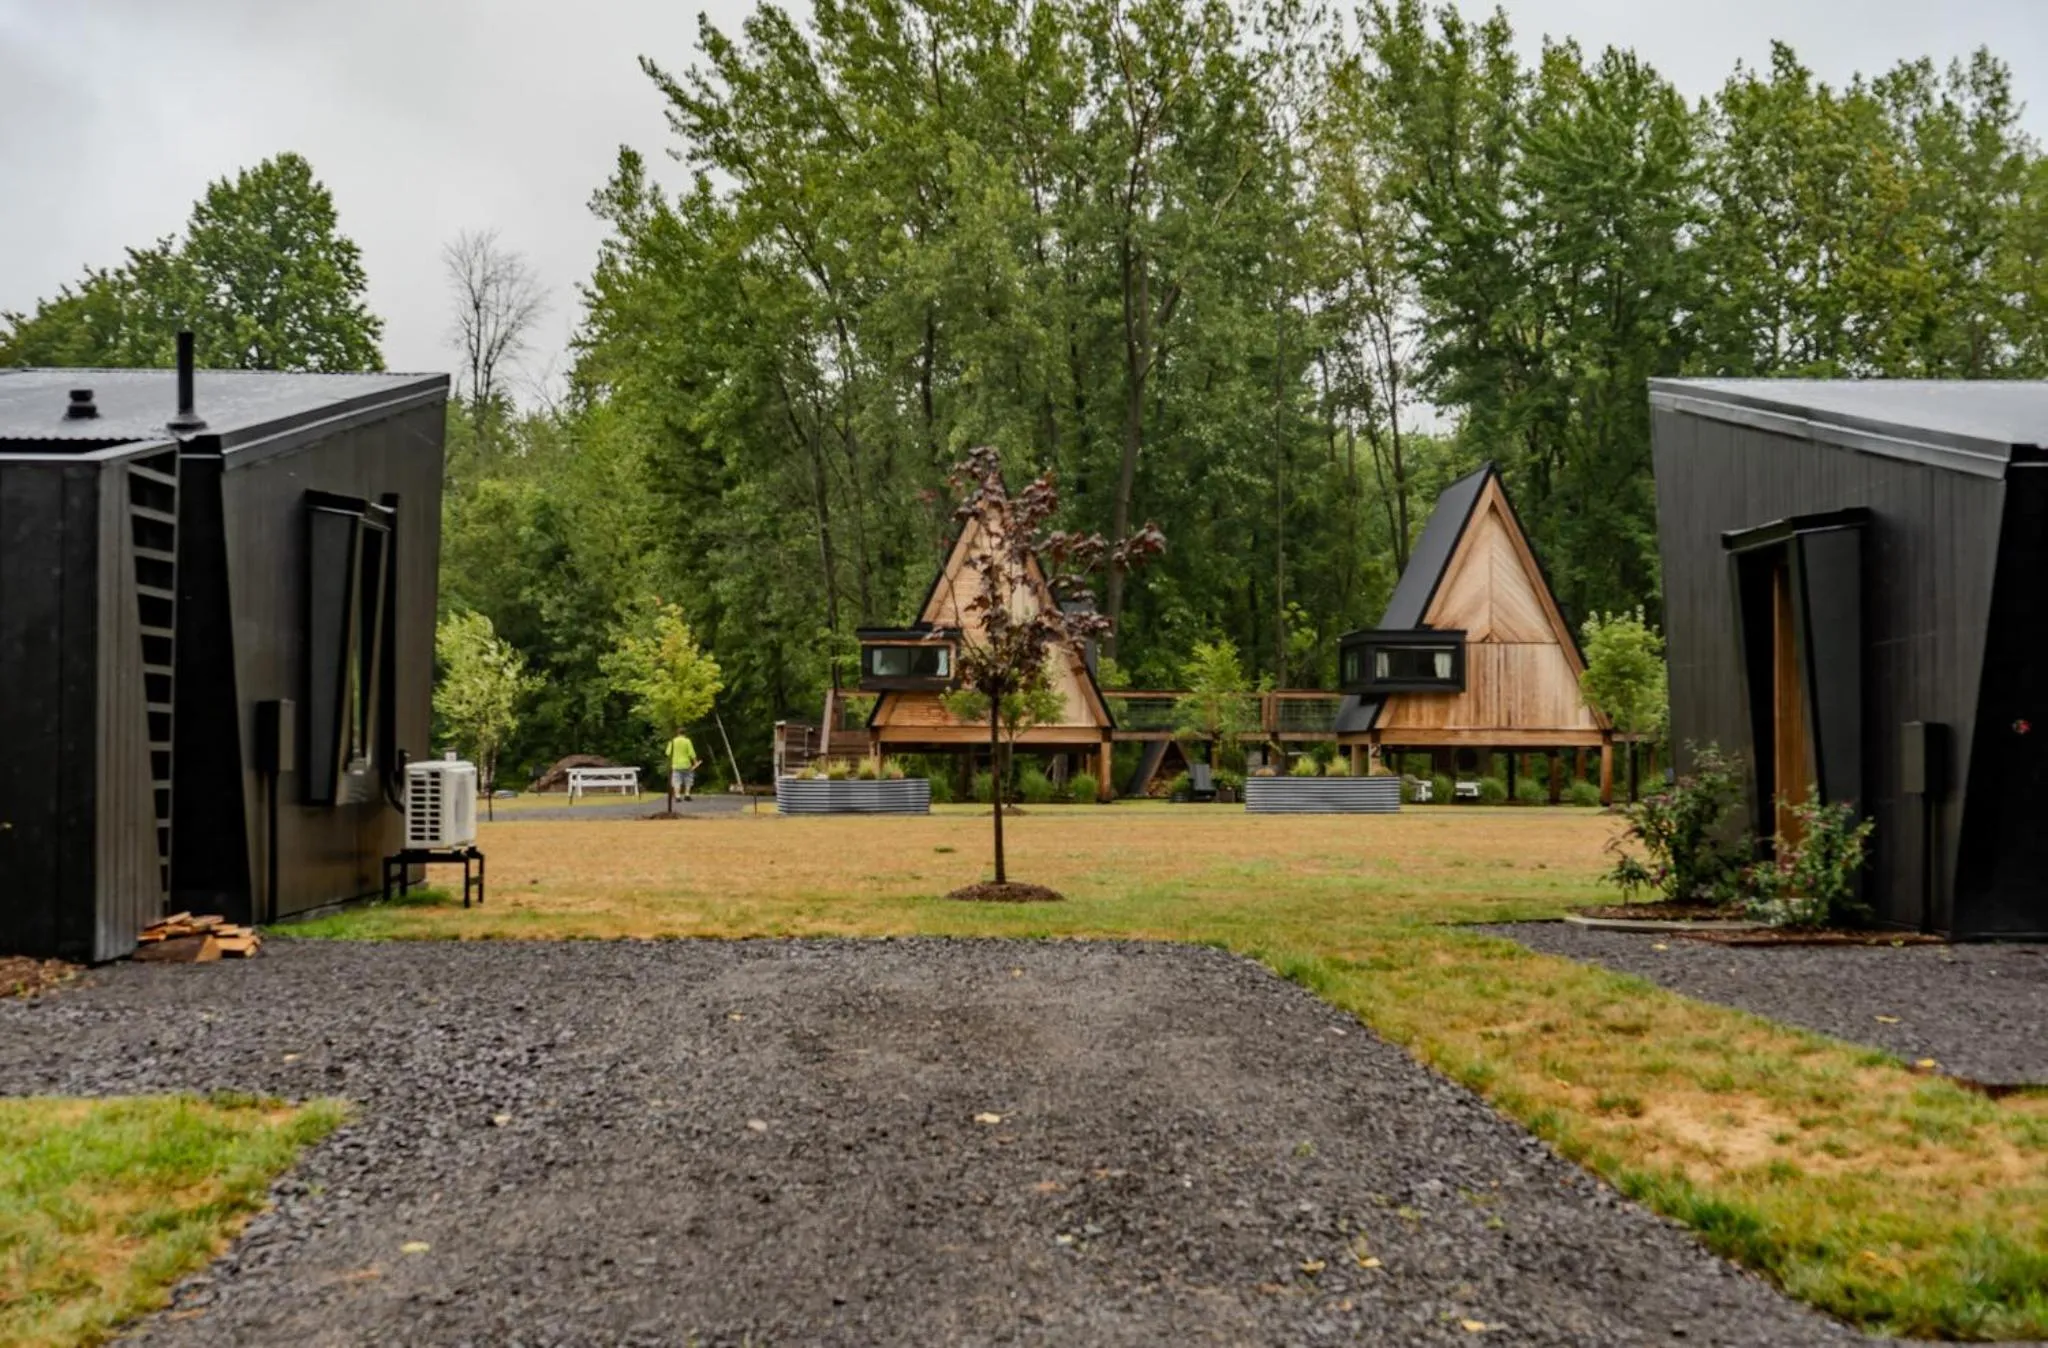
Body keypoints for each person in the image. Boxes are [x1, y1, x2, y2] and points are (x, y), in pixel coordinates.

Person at [668, 727, 701, 802]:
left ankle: (677, 796)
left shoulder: (673, 741)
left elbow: (668, 753)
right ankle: (687, 794)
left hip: (676, 764)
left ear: (677, 733)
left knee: (676, 780)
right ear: (685, 733)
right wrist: (695, 762)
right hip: (686, 764)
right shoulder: (687, 741)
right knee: (688, 779)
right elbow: (692, 753)